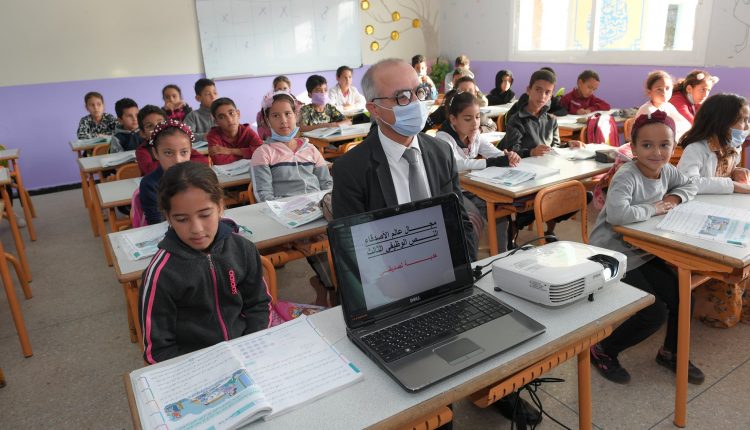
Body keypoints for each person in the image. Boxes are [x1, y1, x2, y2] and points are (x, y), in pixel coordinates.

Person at [588, 111, 703, 385]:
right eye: (647, 145)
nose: (656, 152)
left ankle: (671, 353)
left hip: (642, 250)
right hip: (611, 254)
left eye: (664, 145)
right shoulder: (627, 175)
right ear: (634, 147)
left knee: (683, 296)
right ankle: (603, 349)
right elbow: (617, 215)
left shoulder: (667, 170)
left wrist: (673, 198)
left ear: (673, 146)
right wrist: (654, 208)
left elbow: (690, 185)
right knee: (654, 312)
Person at [139, 161, 271, 364]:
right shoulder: (161, 274)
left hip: (246, 351)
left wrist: (251, 346)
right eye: (182, 219)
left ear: (220, 207)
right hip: (196, 366)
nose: (197, 229)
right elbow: (158, 350)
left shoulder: (243, 249)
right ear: (168, 218)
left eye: (205, 214)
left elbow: (258, 305)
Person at [251, 91, 335, 305]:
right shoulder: (264, 153)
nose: (283, 120)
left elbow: (327, 185)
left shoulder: (311, 149)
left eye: (288, 114)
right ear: (267, 119)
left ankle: (330, 286)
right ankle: (331, 289)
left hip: (318, 212)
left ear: (296, 115)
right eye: (275, 115)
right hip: (286, 218)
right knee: (325, 256)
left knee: (340, 249)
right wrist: (292, 229)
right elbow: (264, 196)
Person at [677, 94, 750, 329]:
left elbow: (721, 173)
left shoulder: (731, 148)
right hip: (696, 220)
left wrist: (736, 172)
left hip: (721, 213)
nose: (746, 126)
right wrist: (733, 185)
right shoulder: (696, 149)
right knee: (735, 254)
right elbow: (689, 183)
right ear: (722, 121)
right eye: (742, 120)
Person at [498, 69, 586, 238]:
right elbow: (512, 151)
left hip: (546, 173)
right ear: (528, 90)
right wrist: (531, 151)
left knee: (581, 195)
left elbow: (554, 148)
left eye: (548, 92)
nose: (542, 96)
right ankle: (519, 223)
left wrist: (569, 145)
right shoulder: (517, 119)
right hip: (523, 175)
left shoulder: (551, 120)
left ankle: (546, 229)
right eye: (538, 90)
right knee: (547, 196)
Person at [434, 91, 520, 253]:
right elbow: (457, 165)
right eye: (468, 119)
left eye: (478, 117)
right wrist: (490, 162)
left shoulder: (474, 135)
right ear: (453, 119)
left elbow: (494, 153)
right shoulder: (443, 139)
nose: (475, 123)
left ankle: (501, 255)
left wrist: (508, 156)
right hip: (451, 192)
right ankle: (470, 261)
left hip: (473, 189)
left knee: (499, 212)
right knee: (472, 219)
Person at [139, 119, 195, 225]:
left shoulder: (197, 177)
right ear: (155, 153)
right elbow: (157, 223)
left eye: (184, 152)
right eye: (168, 153)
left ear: (190, 151)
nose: (177, 160)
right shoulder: (150, 184)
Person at [134, 106, 209, 176]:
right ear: (143, 133)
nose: (156, 127)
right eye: (150, 126)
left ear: (168, 125)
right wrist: (182, 164)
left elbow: (203, 160)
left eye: (160, 123)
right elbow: (149, 170)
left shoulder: (178, 145)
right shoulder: (142, 150)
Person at [423, 76, 494, 132]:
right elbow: (424, 127)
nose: (467, 95)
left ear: (475, 94)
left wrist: (479, 130)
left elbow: (492, 125)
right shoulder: (444, 111)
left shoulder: (477, 115)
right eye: (463, 91)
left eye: (470, 91)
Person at [635, 70, 691, 141]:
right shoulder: (647, 110)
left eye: (667, 88)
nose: (664, 92)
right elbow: (656, 135)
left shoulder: (668, 106)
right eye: (659, 89)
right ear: (649, 92)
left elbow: (686, 125)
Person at [206, 97, 263, 165]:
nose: (229, 120)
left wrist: (229, 151)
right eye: (222, 117)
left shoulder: (247, 131)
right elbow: (219, 161)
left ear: (238, 114)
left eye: (231, 113)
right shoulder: (213, 135)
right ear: (216, 122)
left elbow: (262, 152)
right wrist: (248, 154)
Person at [256, 75, 304, 140]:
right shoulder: (263, 112)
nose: (282, 91)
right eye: (279, 89)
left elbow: (300, 128)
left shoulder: (297, 107)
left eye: (285, 88)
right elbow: (262, 135)